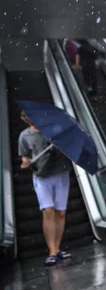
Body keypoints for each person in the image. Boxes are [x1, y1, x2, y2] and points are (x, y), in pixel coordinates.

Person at [18, 111, 72, 267]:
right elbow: (24, 158)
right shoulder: (25, 136)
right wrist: (25, 162)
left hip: (61, 172)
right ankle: (52, 251)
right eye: (28, 118)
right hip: (41, 176)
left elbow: (67, 147)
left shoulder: (54, 130)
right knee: (48, 211)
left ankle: (58, 248)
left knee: (60, 212)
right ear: (26, 120)